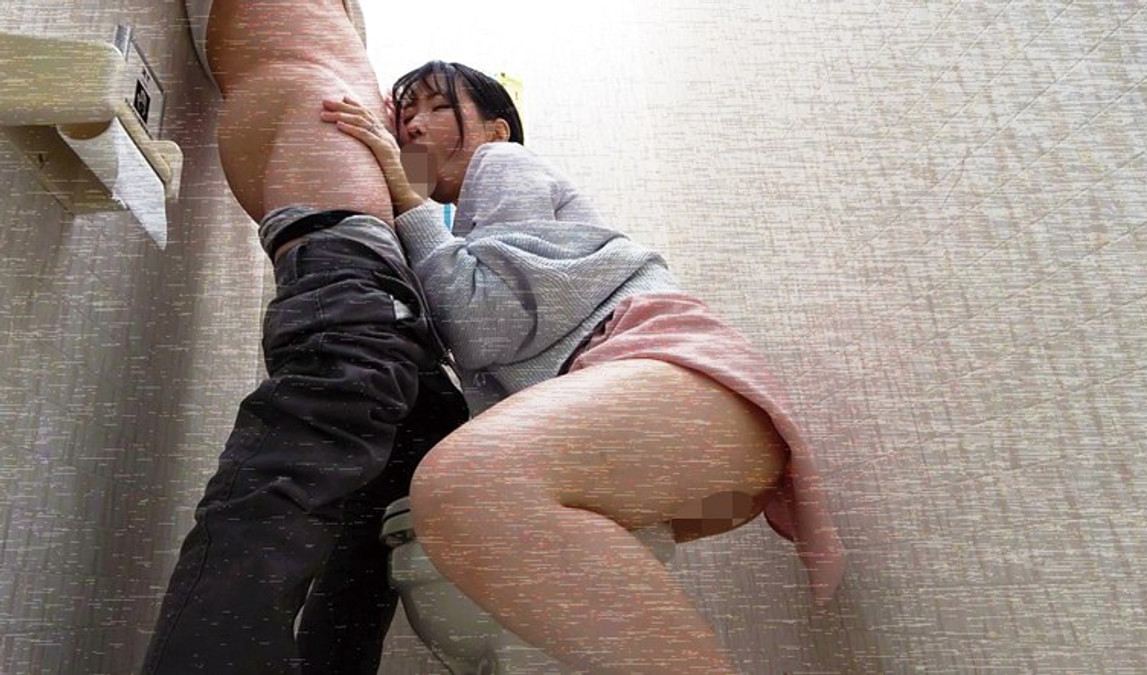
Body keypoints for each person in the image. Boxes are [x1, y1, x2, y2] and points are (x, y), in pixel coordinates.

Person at [319, 59, 848, 674]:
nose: (413, 127)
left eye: (438, 107)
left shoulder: (501, 162)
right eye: (405, 116)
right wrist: (402, 183)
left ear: (496, 129)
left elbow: (485, 321)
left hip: (679, 375)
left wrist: (408, 192)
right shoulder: (456, 225)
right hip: (690, 441)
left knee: (466, 488)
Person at [141, 2, 468, 672]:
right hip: (348, 254)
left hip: (361, 260)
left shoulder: (336, 41)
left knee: (409, 476)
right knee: (296, 469)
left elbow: (427, 192)